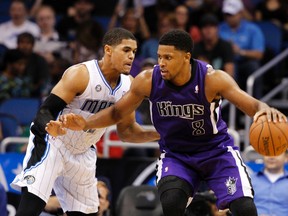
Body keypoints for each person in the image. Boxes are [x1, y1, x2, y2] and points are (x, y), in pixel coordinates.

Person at [48, 29, 288, 216]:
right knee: (171, 202)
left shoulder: (213, 79)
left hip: (216, 152)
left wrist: (266, 110)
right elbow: (115, 114)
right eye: (159, 56)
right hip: (176, 154)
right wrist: (85, 123)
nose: (161, 62)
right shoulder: (146, 80)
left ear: (186, 57)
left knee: (244, 208)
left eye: (168, 57)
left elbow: (252, 105)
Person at [11, 27, 159, 216]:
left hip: (83, 151)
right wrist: (51, 127)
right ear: (108, 50)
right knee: (30, 209)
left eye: (134, 52)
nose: (131, 56)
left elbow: (127, 131)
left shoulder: (129, 85)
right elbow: (44, 112)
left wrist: (161, 133)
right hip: (53, 144)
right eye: (126, 50)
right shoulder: (81, 74)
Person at [219, 0, 265, 99]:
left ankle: (257, 104)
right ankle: (226, 110)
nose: (229, 18)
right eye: (226, 14)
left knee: (253, 67)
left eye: (231, 14)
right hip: (226, 63)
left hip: (245, 62)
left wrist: (240, 52)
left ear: (240, 13)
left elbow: (259, 54)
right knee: (227, 70)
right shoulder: (220, 28)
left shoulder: (253, 29)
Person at [251, 151, 288, 216]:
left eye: (276, 153)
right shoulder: (249, 180)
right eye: (268, 153)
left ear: (286, 158)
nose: (271, 157)